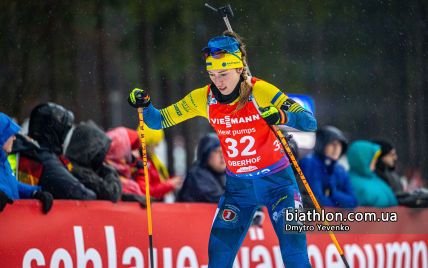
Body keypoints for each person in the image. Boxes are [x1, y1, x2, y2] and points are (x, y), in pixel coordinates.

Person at [128, 32, 317, 267]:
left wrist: (281, 115)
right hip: (239, 190)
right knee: (218, 257)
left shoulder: (260, 92)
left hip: (278, 185)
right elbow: (158, 121)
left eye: (224, 74)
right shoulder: (204, 98)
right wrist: (145, 106)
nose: (218, 81)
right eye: (212, 74)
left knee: (294, 254)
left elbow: (309, 122)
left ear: (240, 69)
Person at [17, 103, 96, 200]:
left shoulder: (19, 147)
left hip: (15, 211)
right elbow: (82, 194)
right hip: (29, 212)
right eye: (63, 132)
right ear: (54, 133)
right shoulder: (44, 159)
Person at [0, 112, 53, 213]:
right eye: (10, 134)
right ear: (1, 137)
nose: (14, 138)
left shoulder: (4, 161)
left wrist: (34, 193)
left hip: (13, 223)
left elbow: (12, 185)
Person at [299, 126, 357, 208]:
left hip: (333, 218)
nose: (337, 148)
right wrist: (339, 204)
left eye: (340, 145)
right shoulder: (310, 163)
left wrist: (333, 194)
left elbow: (353, 202)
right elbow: (317, 200)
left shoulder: (340, 169)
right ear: (322, 145)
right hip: (312, 218)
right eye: (333, 144)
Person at [65, 121, 122, 203]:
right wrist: (109, 172)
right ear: (89, 149)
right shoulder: (79, 171)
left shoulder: (71, 165)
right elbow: (111, 193)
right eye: (98, 152)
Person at [131, 127, 183, 201]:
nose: (157, 146)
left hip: (156, 205)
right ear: (147, 144)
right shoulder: (140, 164)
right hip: (151, 208)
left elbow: (157, 181)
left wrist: (171, 182)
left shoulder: (152, 161)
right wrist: (169, 185)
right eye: (155, 144)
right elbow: (146, 192)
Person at [347, 140, 398, 207]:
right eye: (372, 158)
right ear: (363, 159)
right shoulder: (353, 183)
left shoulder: (373, 178)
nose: (375, 161)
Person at [178, 133, 226, 203]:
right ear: (206, 153)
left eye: (225, 151)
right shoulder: (198, 175)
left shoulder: (224, 174)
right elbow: (217, 199)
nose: (222, 156)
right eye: (218, 151)